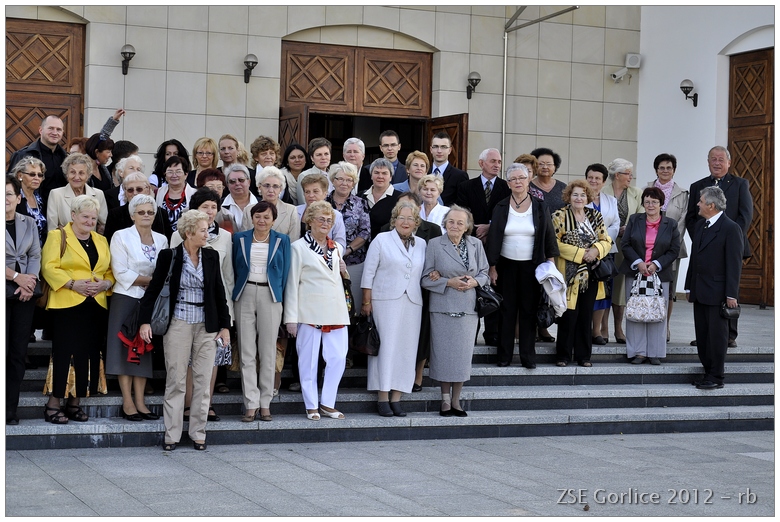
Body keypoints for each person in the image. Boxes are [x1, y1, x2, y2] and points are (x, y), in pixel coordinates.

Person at [138, 210, 231, 451]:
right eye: (203, 230)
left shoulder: (210, 255)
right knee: (176, 380)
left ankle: (198, 433)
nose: (207, 234)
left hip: (207, 325)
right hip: (178, 322)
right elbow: (154, 290)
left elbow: (219, 292)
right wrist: (144, 321)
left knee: (203, 380)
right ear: (189, 233)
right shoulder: (169, 255)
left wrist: (225, 326)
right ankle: (172, 434)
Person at [41, 195, 114, 424]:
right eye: (85, 217)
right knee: (65, 352)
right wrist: (72, 284)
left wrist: (105, 284)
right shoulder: (58, 236)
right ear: (73, 215)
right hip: (67, 303)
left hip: (95, 305)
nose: (90, 221)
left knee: (89, 353)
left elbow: (109, 271)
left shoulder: (101, 240)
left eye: (93, 218)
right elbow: (48, 267)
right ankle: (53, 404)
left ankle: (75, 403)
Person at [170, 188, 235, 420]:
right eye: (205, 206)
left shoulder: (225, 236)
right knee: (188, 360)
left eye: (213, 207)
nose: (209, 211)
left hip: (215, 307)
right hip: (186, 308)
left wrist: (228, 313)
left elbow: (228, 277)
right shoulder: (179, 234)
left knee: (212, 359)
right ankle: (189, 404)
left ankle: (206, 405)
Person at [487, 163, 559, 369]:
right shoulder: (501, 206)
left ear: (528, 181)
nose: (518, 182)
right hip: (506, 266)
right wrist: (492, 267)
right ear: (508, 183)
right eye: (513, 179)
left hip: (532, 266)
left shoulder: (540, 206)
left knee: (528, 311)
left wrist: (550, 264)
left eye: (522, 178)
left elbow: (548, 235)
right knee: (507, 310)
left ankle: (528, 357)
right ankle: (504, 356)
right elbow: (494, 238)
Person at [284, 201, 351, 421]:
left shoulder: (337, 247)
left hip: (336, 310)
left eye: (329, 220)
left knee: (338, 358)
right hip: (309, 312)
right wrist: (291, 318)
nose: (325, 223)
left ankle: (328, 403)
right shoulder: (298, 247)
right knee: (308, 361)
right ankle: (311, 404)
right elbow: (292, 284)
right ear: (309, 221)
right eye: (321, 219)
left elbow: (339, 279)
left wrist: (345, 272)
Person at [362, 199, 427, 417]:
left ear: (416, 222)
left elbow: (424, 272)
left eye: (410, 218)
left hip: (412, 302)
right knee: (386, 348)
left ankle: (397, 397)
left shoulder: (422, 244)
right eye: (401, 218)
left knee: (406, 350)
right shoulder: (382, 239)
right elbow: (368, 272)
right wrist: (366, 301)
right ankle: (382, 396)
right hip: (385, 300)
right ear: (394, 220)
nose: (405, 222)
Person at [422, 205, 489, 416]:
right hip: (442, 307)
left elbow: (485, 273)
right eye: (451, 221)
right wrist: (447, 282)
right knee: (443, 355)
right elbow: (424, 279)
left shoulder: (476, 244)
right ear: (445, 223)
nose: (455, 226)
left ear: (467, 226)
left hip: (468, 307)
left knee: (462, 356)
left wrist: (475, 282)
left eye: (460, 223)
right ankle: (444, 399)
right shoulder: (434, 244)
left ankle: (456, 400)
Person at [106, 194, 168, 420]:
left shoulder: (162, 239)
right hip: (126, 297)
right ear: (132, 215)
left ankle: (141, 402)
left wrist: (153, 284)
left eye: (150, 212)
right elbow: (120, 271)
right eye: (141, 212)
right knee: (124, 349)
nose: (146, 216)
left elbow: (165, 269)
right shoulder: (120, 236)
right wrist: (152, 281)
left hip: (150, 301)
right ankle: (128, 402)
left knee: (144, 349)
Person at [685, 146, 752, 348]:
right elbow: (691, 218)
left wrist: (730, 239)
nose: (717, 163)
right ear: (708, 162)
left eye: (721, 159)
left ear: (729, 163)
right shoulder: (697, 186)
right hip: (705, 249)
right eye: (713, 159)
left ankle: (729, 334)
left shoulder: (740, 184)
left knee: (729, 286)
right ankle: (704, 333)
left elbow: (745, 216)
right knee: (704, 288)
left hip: (731, 246)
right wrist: (702, 240)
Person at [232, 201, 291, 422]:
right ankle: (251, 403)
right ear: (251, 218)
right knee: (246, 351)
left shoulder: (282, 240)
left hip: (270, 295)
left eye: (266, 217)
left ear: (273, 220)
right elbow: (234, 268)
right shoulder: (239, 238)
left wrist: (283, 301)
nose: (262, 220)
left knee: (268, 351)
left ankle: (265, 403)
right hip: (245, 293)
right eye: (258, 216)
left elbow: (286, 273)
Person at [685, 186, 743, 389]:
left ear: (711, 205)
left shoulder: (730, 228)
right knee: (702, 335)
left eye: (700, 201)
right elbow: (694, 259)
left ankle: (716, 376)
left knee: (717, 337)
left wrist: (731, 294)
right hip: (700, 290)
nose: (697, 204)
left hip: (718, 293)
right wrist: (689, 287)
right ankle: (707, 372)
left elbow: (734, 264)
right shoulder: (701, 225)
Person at [551, 180, 612, 367]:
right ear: (569, 196)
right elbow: (554, 243)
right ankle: (562, 356)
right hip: (568, 275)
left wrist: (595, 250)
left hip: (591, 274)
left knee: (586, 315)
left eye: (583, 195)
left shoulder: (595, 215)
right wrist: (580, 254)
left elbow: (606, 240)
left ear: (588, 197)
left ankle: (584, 356)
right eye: (575, 194)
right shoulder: (559, 216)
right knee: (568, 315)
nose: (579, 198)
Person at [454, 148, 510, 347]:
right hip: (471, 242)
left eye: (499, 161)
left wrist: (490, 227)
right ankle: (471, 332)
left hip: (498, 246)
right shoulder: (466, 186)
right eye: (493, 161)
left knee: (493, 286)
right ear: (481, 163)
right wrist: (476, 229)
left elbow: (508, 214)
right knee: (471, 286)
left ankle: (492, 333)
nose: (497, 165)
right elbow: (462, 212)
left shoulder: (506, 187)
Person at [619, 188, 681, 365]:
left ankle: (655, 352)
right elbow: (625, 244)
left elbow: (674, 249)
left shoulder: (671, 224)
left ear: (661, 204)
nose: (651, 205)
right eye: (647, 202)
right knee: (635, 310)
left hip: (660, 274)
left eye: (654, 202)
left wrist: (656, 264)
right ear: (643, 204)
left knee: (657, 311)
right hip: (635, 272)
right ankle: (638, 352)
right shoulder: (634, 220)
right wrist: (639, 262)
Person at [6, 175, 41, 425]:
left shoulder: (28, 222)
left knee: (18, 353)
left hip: (24, 295)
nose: (5, 199)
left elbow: (35, 254)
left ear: (19, 198)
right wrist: (18, 277)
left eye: (9, 194)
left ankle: (10, 409)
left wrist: (30, 282)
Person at [648, 153, 689, 342]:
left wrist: (668, 243)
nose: (665, 171)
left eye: (669, 168)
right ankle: (647, 323)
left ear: (674, 170)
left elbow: (683, 221)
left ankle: (665, 326)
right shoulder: (647, 190)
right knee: (647, 287)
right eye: (662, 167)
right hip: (648, 248)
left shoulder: (683, 194)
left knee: (668, 290)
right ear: (656, 170)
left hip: (672, 249)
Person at [602, 158, 643, 344]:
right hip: (605, 244)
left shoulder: (636, 193)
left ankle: (618, 328)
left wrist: (629, 228)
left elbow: (641, 217)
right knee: (605, 286)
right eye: (628, 174)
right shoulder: (602, 192)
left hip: (626, 246)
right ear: (617, 175)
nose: (630, 177)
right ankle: (603, 328)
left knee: (619, 289)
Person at [326, 162, 371, 312]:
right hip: (325, 261)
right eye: (340, 179)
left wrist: (347, 250)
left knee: (352, 306)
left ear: (353, 183)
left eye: (349, 180)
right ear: (333, 180)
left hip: (354, 262)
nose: (344, 183)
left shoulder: (361, 203)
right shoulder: (323, 203)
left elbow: (365, 232)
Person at [584, 163, 620, 345]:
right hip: (584, 253)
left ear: (604, 181)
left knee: (603, 293)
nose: (594, 181)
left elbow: (615, 225)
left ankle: (596, 330)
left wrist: (601, 244)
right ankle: (583, 329)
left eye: (597, 178)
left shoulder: (611, 201)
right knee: (584, 292)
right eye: (590, 177)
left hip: (605, 253)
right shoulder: (579, 197)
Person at [7, 115, 68, 200]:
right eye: (50, 128)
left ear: (62, 133)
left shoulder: (66, 158)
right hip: (32, 206)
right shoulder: (23, 155)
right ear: (40, 130)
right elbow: (10, 185)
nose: (55, 133)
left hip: (60, 206)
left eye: (58, 129)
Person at [46, 153, 108, 233]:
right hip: (65, 240)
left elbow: (104, 224)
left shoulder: (98, 194)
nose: (76, 177)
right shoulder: (56, 194)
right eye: (72, 172)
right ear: (67, 174)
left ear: (88, 175)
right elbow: (52, 229)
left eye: (81, 173)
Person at [104, 173, 173, 244]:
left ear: (148, 190)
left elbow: (169, 241)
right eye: (130, 190)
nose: (135, 193)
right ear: (125, 192)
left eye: (139, 189)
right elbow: (109, 242)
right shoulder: (115, 215)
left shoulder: (160, 213)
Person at [243, 167, 301, 242]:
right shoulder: (248, 211)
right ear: (259, 187)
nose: (271, 190)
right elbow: (244, 240)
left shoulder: (291, 211)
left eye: (275, 186)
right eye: (267, 186)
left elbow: (294, 241)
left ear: (281, 189)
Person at [296, 173, 347, 250]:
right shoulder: (295, 211)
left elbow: (340, 245)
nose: (311, 195)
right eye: (307, 192)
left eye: (315, 191)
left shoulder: (336, 215)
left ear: (325, 194)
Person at [11, 157, 48, 246]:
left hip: (40, 249)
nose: (37, 178)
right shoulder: (13, 198)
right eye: (32, 174)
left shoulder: (40, 199)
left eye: (40, 175)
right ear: (20, 176)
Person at [155, 156, 197, 232]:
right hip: (162, 235)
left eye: (178, 171)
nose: (174, 175)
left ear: (186, 174)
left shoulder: (195, 194)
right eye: (170, 172)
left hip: (187, 235)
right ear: (165, 175)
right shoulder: (157, 193)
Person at [364, 158, 401, 239]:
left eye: (384, 173)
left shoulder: (399, 198)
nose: (380, 176)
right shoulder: (360, 196)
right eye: (376, 172)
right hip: (360, 245)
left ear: (390, 177)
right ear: (371, 176)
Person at [428, 131, 468, 206]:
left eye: (443, 147)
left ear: (450, 150)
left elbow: (462, 206)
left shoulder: (460, 176)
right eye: (436, 146)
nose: (439, 151)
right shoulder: (424, 174)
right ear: (431, 150)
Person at [529, 147, 567, 212]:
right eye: (541, 164)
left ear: (555, 167)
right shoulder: (528, 187)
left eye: (549, 164)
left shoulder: (563, 187)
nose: (545, 167)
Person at [296, 137, 332, 204]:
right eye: (319, 155)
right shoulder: (304, 175)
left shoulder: (334, 175)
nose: (323, 158)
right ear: (312, 158)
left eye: (326, 154)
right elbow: (303, 202)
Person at [221, 164, 257, 230]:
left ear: (249, 182)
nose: (237, 183)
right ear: (227, 185)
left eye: (241, 180)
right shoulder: (219, 206)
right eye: (232, 181)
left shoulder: (261, 203)